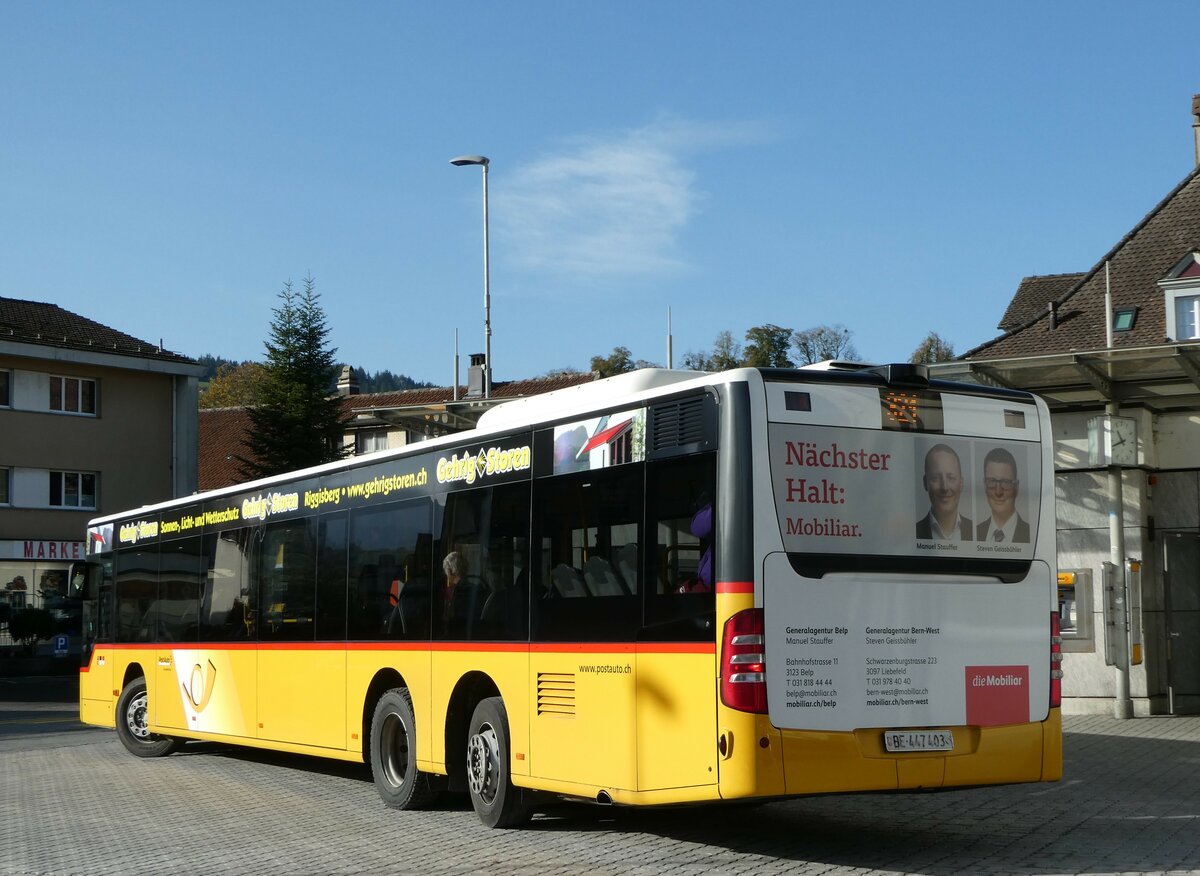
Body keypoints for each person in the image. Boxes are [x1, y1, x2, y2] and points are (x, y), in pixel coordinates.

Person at [916, 444, 973, 541]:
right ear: (925, 483)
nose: (945, 487)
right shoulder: (913, 532)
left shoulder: (977, 532)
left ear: (961, 483)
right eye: (936, 478)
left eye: (951, 478)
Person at [976, 447, 1030, 543]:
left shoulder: (1030, 534)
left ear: (1016, 487)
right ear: (985, 485)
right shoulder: (975, 533)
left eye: (1005, 482)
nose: (998, 492)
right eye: (992, 481)